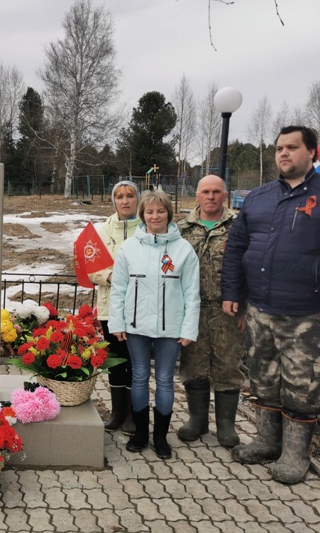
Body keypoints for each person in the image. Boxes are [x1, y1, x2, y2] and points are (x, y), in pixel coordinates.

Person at [222, 126, 320, 484]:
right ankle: (268, 442)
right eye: (279, 148)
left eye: (292, 147)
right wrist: (232, 293)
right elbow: (237, 248)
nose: (283, 154)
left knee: (305, 385)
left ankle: (295, 455)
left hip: (311, 313)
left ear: (312, 153)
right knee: (264, 378)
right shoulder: (258, 198)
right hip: (260, 308)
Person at [108, 190, 200, 460]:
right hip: (136, 326)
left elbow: (192, 293)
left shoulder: (183, 250)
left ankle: (160, 437)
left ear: (169, 214)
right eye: (149, 212)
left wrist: (188, 328)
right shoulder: (129, 248)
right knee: (138, 377)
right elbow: (119, 289)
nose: (155, 216)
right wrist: (118, 322)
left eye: (160, 211)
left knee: (164, 380)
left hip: (171, 328)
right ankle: (140, 433)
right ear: (142, 215)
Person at [177, 175, 244, 447]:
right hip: (192, 310)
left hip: (227, 310)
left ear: (225, 195)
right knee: (193, 365)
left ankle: (226, 426)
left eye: (217, 191)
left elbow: (249, 268)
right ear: (197, 196)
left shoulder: (239, 227)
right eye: (206, 191)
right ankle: (197, 420)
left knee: (228, 366)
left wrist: (245, 307)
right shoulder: (182, 229)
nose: (211, 196)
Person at [88, 180, 140, 435]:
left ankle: (133, 414)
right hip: (110, 308)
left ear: (137, 199)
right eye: (119, 196)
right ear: (114, 201)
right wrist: (109, 277)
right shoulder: (101, 232)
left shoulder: (146, 227)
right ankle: (117, 413)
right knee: (115, 361)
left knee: (134, 360)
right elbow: (90, 268)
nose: (125, 200)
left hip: (140, 307)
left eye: (130, 195)